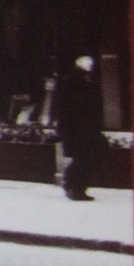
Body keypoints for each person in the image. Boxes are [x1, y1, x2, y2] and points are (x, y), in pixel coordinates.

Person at [56, 54, 105, 201]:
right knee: (84, 157)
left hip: (85, 128)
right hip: (78, 128)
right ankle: (75, 187)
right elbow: (66, 108)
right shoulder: (72, 84)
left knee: (86, 156)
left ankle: (72, 184)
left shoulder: (86, 83)